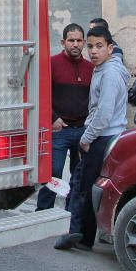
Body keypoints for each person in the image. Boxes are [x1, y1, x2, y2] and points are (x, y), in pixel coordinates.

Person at [54, 25, 128, 251]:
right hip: (103, 135)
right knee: (82, 185)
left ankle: (79, 235)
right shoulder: (103, 69)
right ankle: (82, 234)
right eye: (90, 47)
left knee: (82, 187)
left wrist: (86, 138)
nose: (93, 51)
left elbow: (103, 113)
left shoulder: (110, 73)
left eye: (99, 47)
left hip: (102, 137)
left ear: (110, 48)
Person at [35, 24, 93, 211]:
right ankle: (42, 215)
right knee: (52, 175)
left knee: (78, 176)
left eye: (79, 40)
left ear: (84, 42)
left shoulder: (90, 68)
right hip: (59, 131)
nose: (75, 44)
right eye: (71, 40)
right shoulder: (52, 63)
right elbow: (41, 92)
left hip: (82, 131)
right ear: (63, 42)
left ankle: (71, 216)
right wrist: (53, 118)